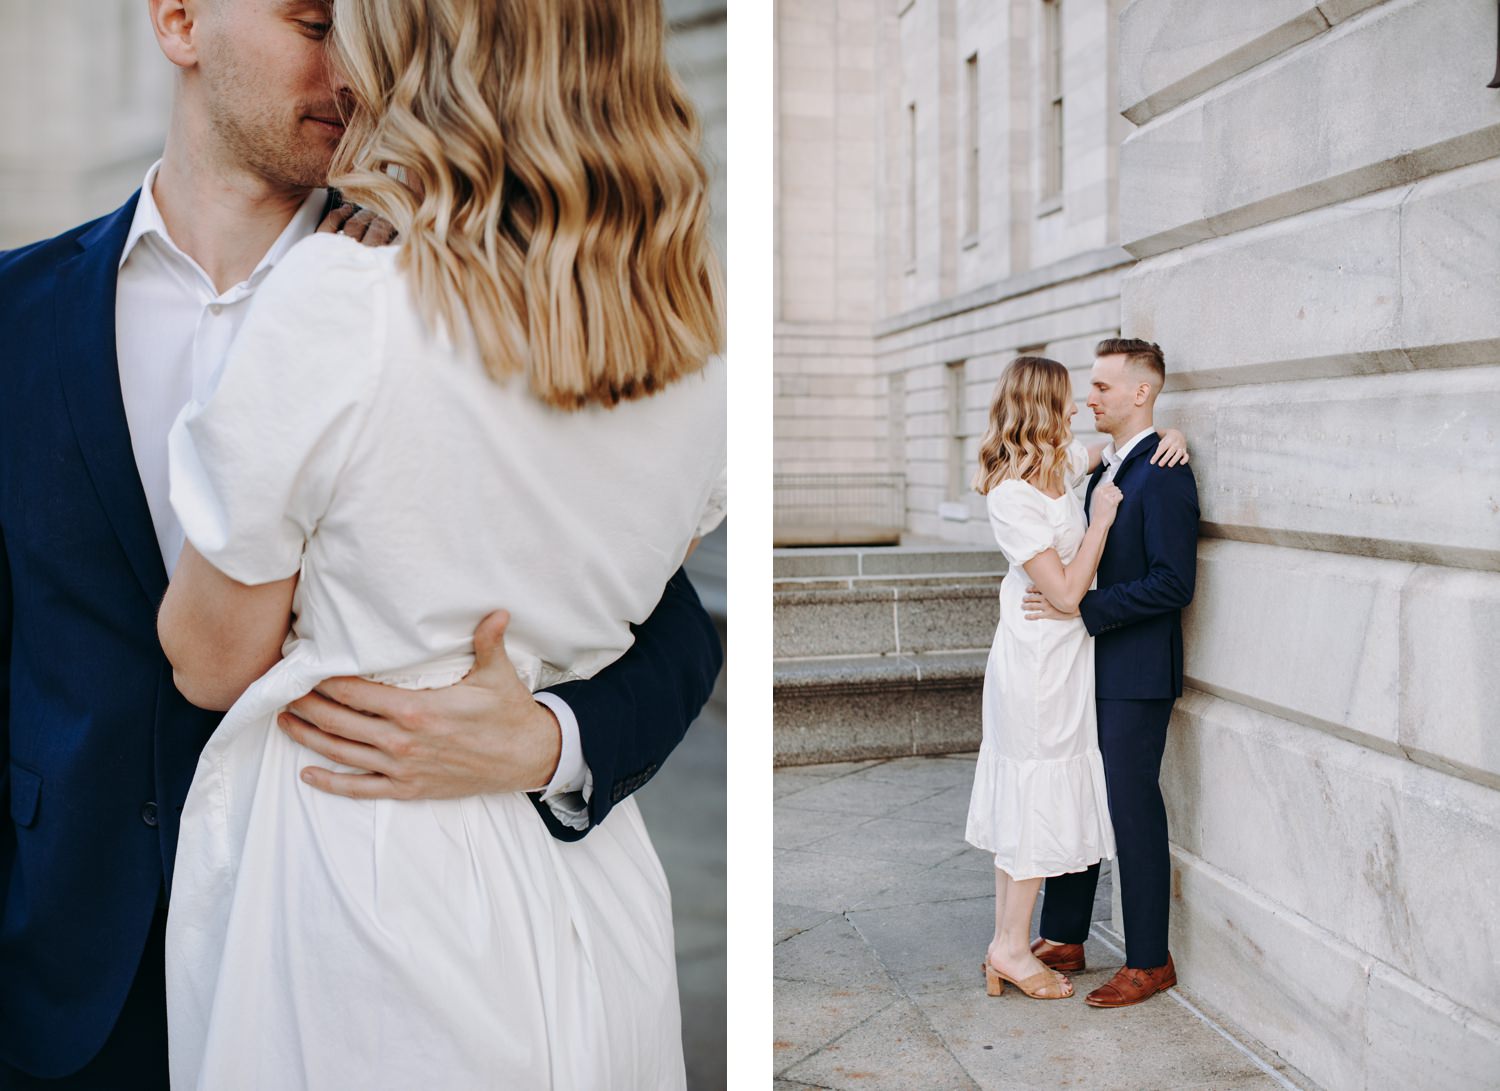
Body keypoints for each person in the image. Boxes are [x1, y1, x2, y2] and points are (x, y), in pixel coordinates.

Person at [0, 0, 720, 1085]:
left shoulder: (428, 298)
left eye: (377, 20)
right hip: (69, 962)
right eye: (314, 20)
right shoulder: (16, 316)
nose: (359, 61)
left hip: (347, 938)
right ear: (181, 20)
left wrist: (552, 737)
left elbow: (670, 623)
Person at [965, 355, 1186, 1001]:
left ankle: (1028, 938)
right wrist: (1099, 523)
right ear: (1041, 407)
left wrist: (1178, 435)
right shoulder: (1011, 494)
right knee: (1034, 791)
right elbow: (1064, 592)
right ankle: (1010, 944)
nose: (1079, 404)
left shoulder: (1058, 466)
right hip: (1038, 659)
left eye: (1094, 388)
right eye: (1069, 396)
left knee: (1045, 788)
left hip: (1066, 657)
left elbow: (1119, 454)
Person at [1023, 338, 1200, 1008]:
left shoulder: (1166, 472)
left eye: (1100, 387)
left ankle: (1150, 960)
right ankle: (1065, 935)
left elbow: (1173, 583)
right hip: (1089, 666)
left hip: (1136, 672)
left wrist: (1084, 609)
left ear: (1141, 393)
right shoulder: (1108, 468)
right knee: (1078, 795)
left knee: (1131, 811)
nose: (1087, 397)